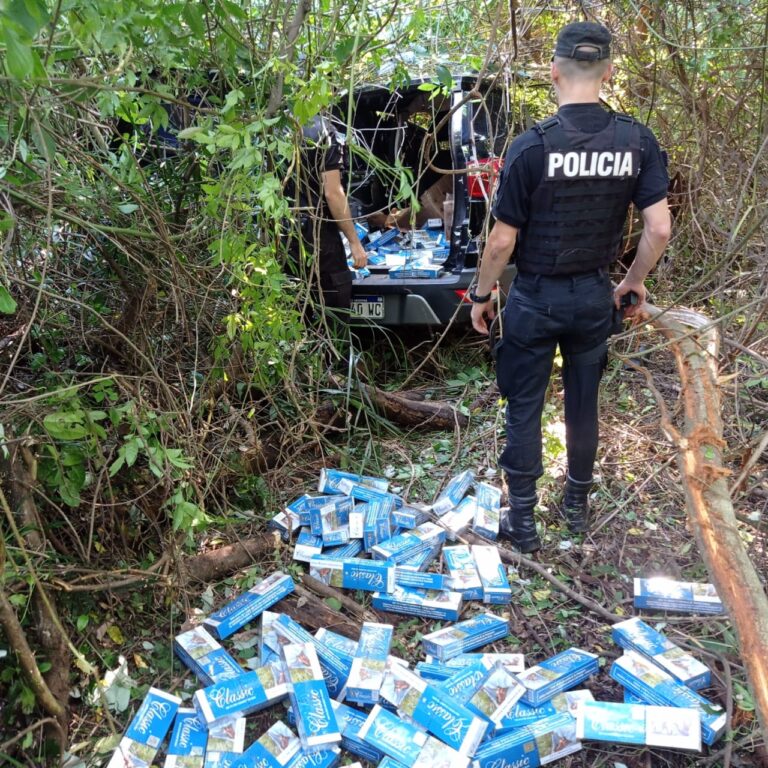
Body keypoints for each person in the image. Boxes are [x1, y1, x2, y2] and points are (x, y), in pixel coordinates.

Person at [470, 21, 671, 553]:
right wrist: (631, 283)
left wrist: (483, 295)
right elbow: (660, 227)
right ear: (607, 72)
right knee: (584, 403)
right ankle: (576, 509)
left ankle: (523, 523)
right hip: (592, 296)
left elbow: (499, 244)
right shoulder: (635, 139)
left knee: (524, 406)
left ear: (554, 71)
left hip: (536, 297)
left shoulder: (532, 147)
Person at [290, 114, 367, 313]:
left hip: (284, 231)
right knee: (335, 301)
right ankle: (334, 344)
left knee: (296, 307)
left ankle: (302, 344)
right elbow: (333, 193)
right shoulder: (323, 131)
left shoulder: (275, 128)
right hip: (317, 234)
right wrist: (354, 242)